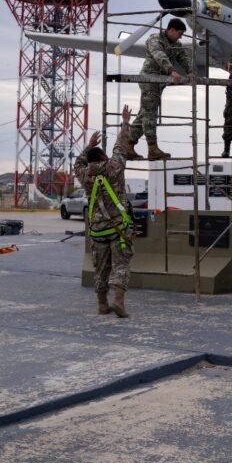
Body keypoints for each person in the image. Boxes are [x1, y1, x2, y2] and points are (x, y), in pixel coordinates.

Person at [75, 105, 135, 318]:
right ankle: (118, 301)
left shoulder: (85, 175)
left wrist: (88, 146)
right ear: (103, 157)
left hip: (97, 230)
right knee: (121, 264)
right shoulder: (114, 167)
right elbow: (121, 144)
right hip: (118, 228)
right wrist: (125, 121)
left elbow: (77, 163)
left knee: (100, 268)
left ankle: (102, 304)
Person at [128, 17, 191, 161]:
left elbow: (184, 57)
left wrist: (190, 70)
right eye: (179, 33)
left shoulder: (176, 44)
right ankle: (152, 148)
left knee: (144, 114)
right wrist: (171, 70)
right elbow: (159, 54)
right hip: (150, 79)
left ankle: (128, 145)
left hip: (159, 82)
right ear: (171, 30)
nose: (180, 37)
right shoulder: (155, 39)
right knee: (150, 114)